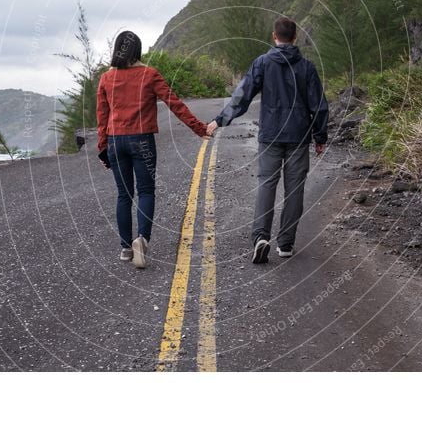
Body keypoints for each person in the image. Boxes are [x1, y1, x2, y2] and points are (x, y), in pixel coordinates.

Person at [207, 17, 328, 263]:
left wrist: (219, 120)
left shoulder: (262, 63)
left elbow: (242, 96)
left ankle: (261, 237)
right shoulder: (307, 68)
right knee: (294, 189)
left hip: (271, 135)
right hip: (298, 136)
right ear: (294, 38)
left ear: (274, 36)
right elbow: (319, 106)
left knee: (266, 185)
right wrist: (319, 136)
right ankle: (285, 244)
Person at [97, 30, 209, 268]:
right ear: (137, 50)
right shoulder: (149, 75)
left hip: (116, 141)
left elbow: (101, 116)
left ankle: (126, 248)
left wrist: (103, 147)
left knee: (123, 195)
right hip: (141, 140)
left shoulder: (106, 79)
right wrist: (200, 129)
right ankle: (142, 240)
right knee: (146, 191)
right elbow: (175, 104)